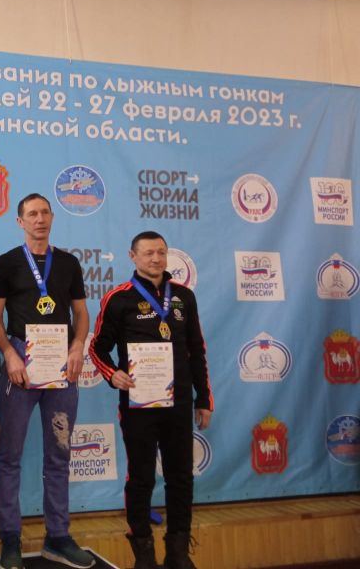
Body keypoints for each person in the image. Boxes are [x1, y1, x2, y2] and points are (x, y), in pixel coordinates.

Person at [89, 231, 213, 569]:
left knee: (181, 476)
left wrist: (203, 399)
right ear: (133, 256)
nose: (156, 258)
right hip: (139, 404)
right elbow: (97, 348)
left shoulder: (184, 296)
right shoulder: (118, 298)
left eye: (161, 252)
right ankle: (143, 554)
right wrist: (113, 374)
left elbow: (197, 350)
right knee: (141, 477)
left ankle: (178, 552)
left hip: (179, 403)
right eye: (148, 253)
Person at [0, 193, 95, 569]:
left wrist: (78, 345)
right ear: (20, 221)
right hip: (21, 364)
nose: (40, 219)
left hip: (61, 365)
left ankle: (58, 536)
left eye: (45, 212)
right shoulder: (5, 263)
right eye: (32, 214)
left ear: (52, 217)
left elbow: (81, 313)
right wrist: (9, 353)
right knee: (9, 456)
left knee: (59, 453)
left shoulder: (68, 263)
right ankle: (10, 539)